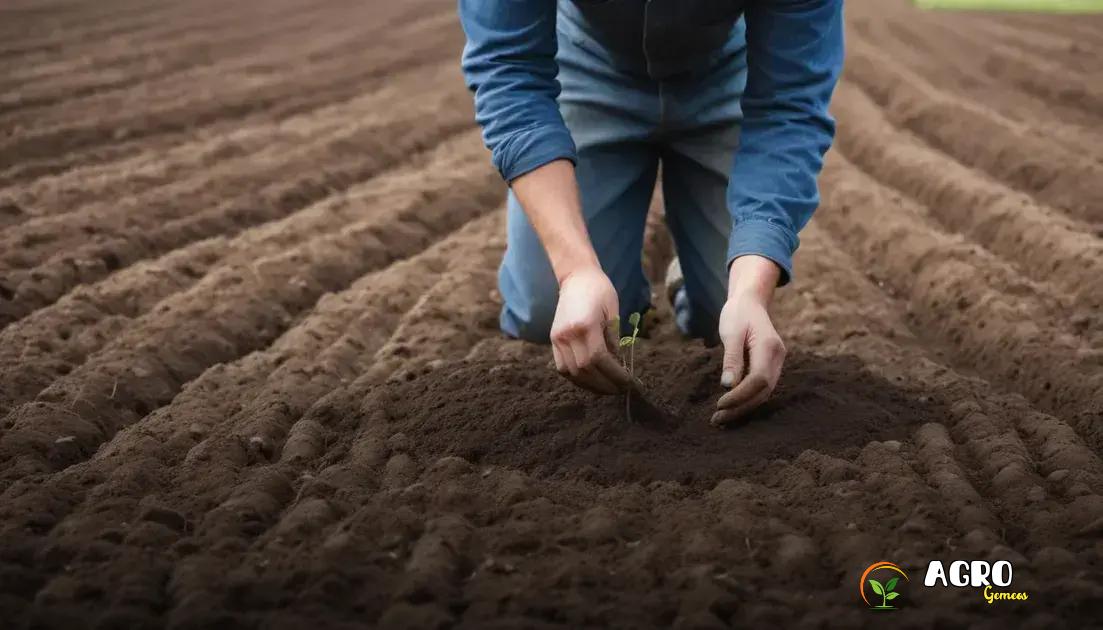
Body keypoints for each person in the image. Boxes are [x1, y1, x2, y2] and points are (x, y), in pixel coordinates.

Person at [459, 0, 843, 426]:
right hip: (587, 65)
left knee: (728, 315)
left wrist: (751, 290)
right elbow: (509, 72)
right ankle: (612, 276)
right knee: (549, 309)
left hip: (725, 73)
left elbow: (788, 106)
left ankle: (693, 281)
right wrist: (575, 271)